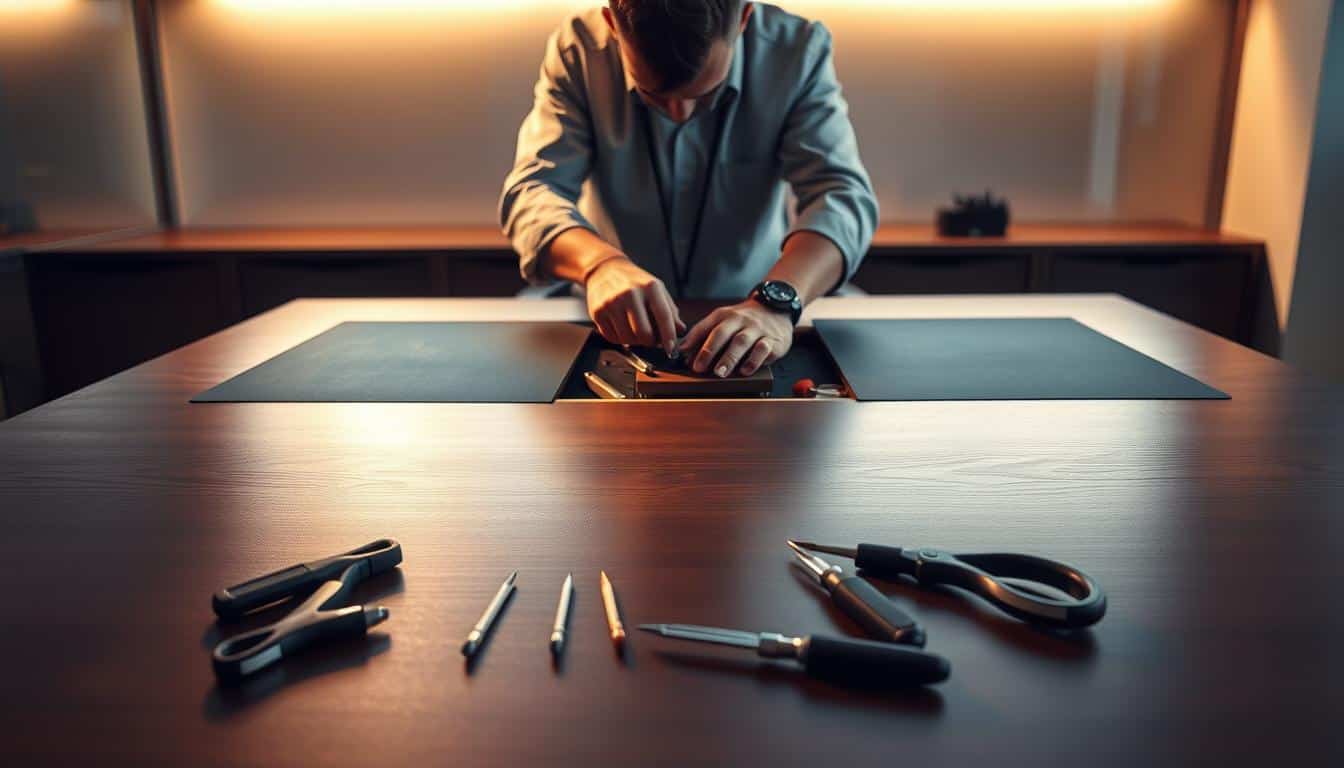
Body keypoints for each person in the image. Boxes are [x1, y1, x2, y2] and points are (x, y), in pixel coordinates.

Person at [500, 1, 877, 378]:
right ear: (612, 23)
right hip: (603, 321)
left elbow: (841, 195)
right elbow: (533, 190)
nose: (678, 114)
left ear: (744, 18)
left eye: (707, 95)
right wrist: (599, 265)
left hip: (764, 314)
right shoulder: (579, 49)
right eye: (651, 97)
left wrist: (777, 303)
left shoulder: (796, 50)